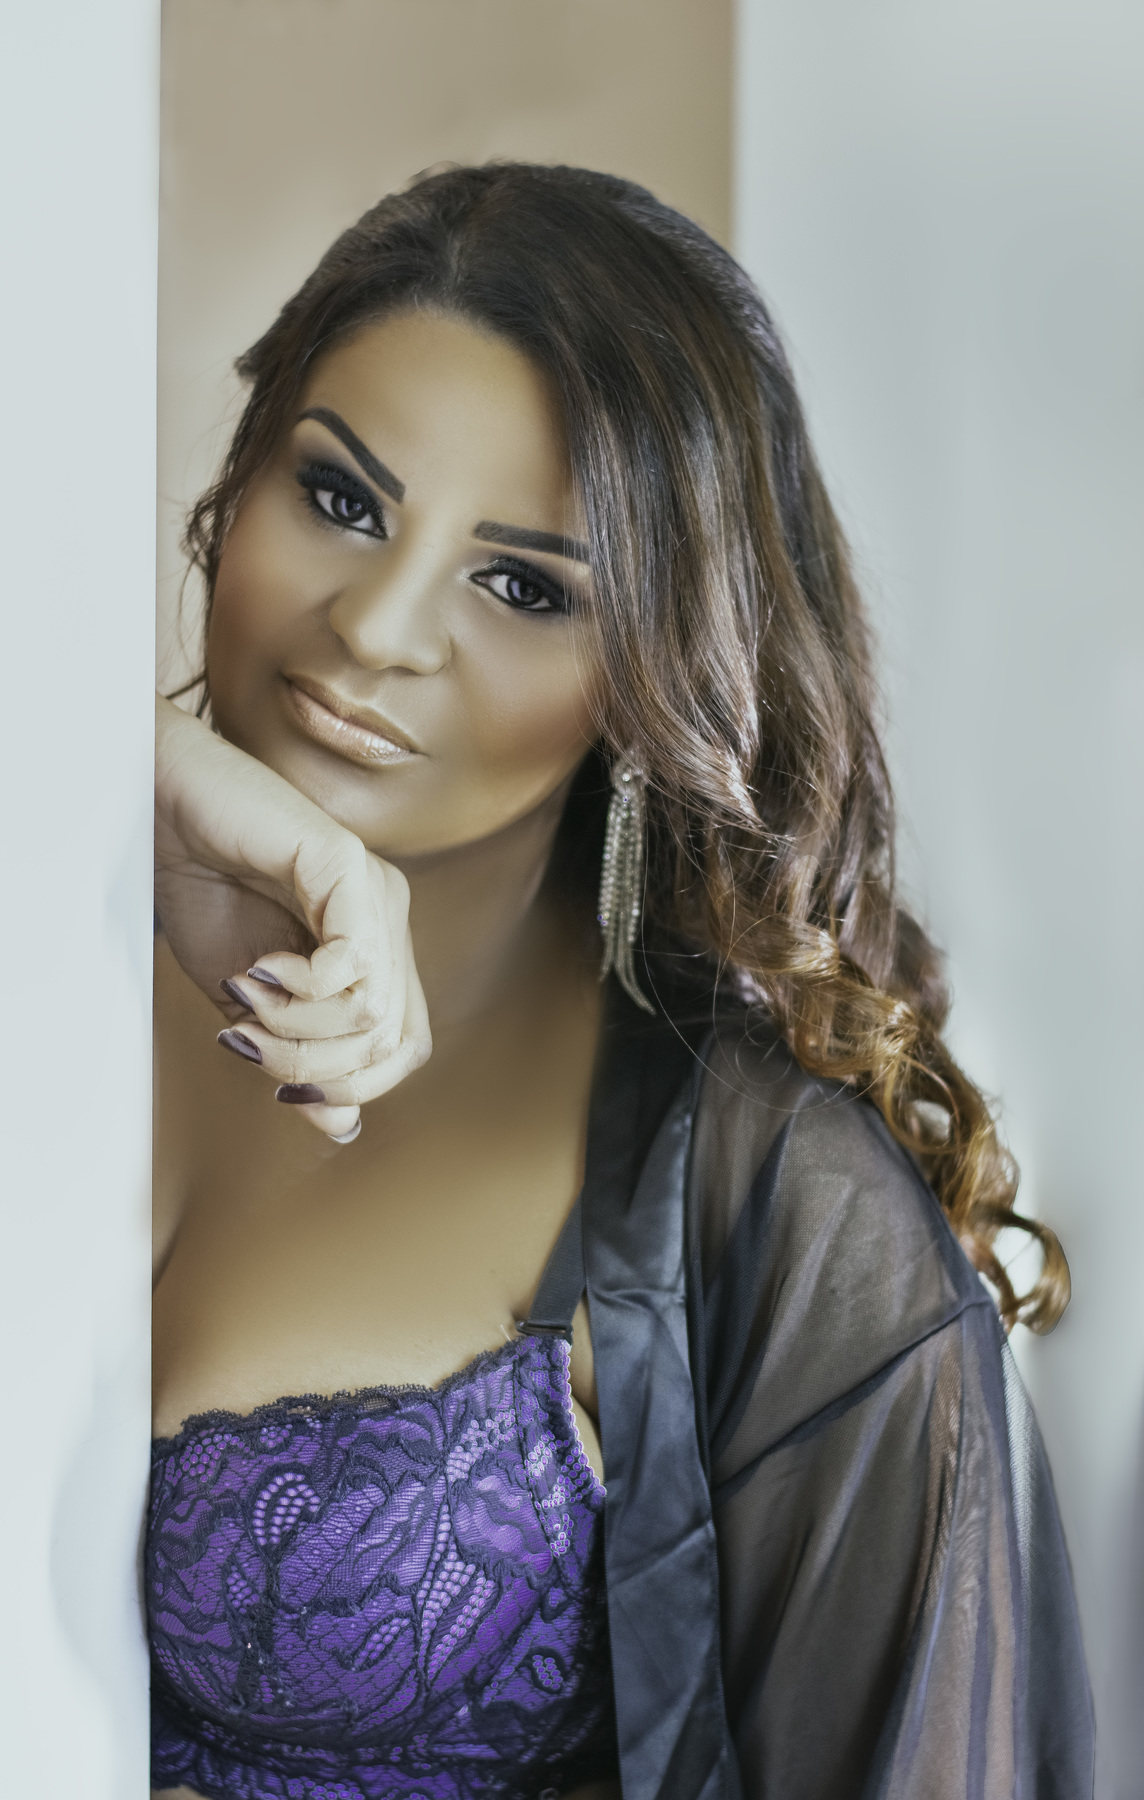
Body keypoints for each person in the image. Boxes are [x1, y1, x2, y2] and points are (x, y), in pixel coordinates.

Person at [150, 163, 1093, 1800]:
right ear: (239, 482)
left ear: (655, 678)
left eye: (523, 586)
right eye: (343, 498)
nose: (378, 627)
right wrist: (106, 779)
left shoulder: (777, 1211)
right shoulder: (21, 947)